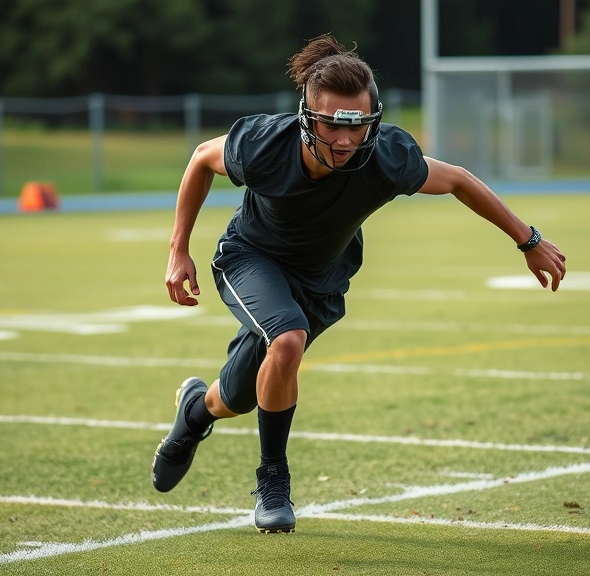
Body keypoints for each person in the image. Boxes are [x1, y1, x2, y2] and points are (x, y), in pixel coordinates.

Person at [152, 34, 566, 534]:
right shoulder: (264, 145)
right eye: (332, 124)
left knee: (239, 394)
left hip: (322, 280)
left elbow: (457, 179)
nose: (346, 140)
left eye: (358, 125)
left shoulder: (385, 156)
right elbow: (200, 157)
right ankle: (273, 481)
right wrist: (178, 251)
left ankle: (196, 412)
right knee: (286, 340)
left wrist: (529, 240)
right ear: (307, 117)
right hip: (252, 258)